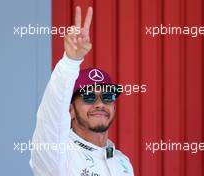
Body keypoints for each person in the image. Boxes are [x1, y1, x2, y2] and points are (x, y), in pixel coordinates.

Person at [30, 6, 134, 176]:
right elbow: (51, 118)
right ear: (70, 110)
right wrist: (70, 62)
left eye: (107, 96)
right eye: (89, 97)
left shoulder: (123, 163)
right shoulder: (58, 155)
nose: (100, 104)